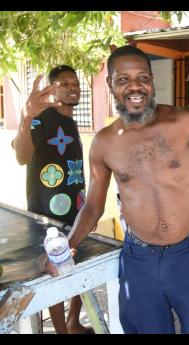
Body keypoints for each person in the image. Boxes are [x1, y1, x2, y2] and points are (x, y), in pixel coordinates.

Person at [39, 45, 189, 334]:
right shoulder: (104, 143)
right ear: (111, 86)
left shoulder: (183, 120)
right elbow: (92, 207)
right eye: (123, 80)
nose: (134, 86)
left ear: (151, 81)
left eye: (142, 78)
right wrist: (67, 246)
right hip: (139, 262)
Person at [12, 65, 92, 334]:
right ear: (51, 88)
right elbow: (22, 157)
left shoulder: (69, 120)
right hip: (47, 214)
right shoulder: (41, 118)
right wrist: (25, 118)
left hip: (77, 208)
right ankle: (61, 331)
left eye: (76, 82)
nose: (73, 87)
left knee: (79, 263)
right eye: (64, 83)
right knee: (54, 272)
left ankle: (73, 322)